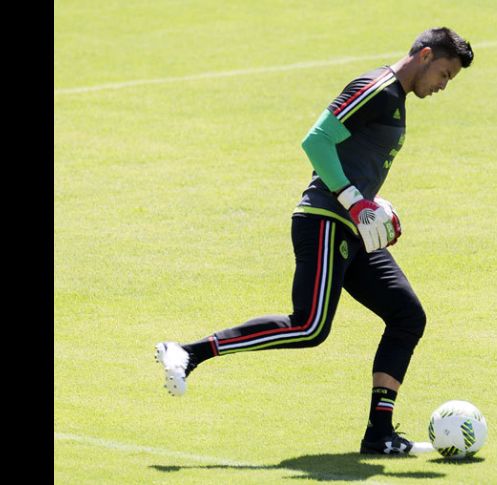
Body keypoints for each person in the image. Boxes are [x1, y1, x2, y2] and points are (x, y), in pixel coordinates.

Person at [156, 26, 474, 455]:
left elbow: (353, 160)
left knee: (407, 316)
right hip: (324, 220)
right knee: (309, 325)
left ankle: (379, 435)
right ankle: (188, 352)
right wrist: (353, 201)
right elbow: (317, 139)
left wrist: (376, 210)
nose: (441, 87)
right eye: (444, 75)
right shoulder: (377, 89)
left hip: (351, 228)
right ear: (424, 56)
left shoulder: (395, 100)